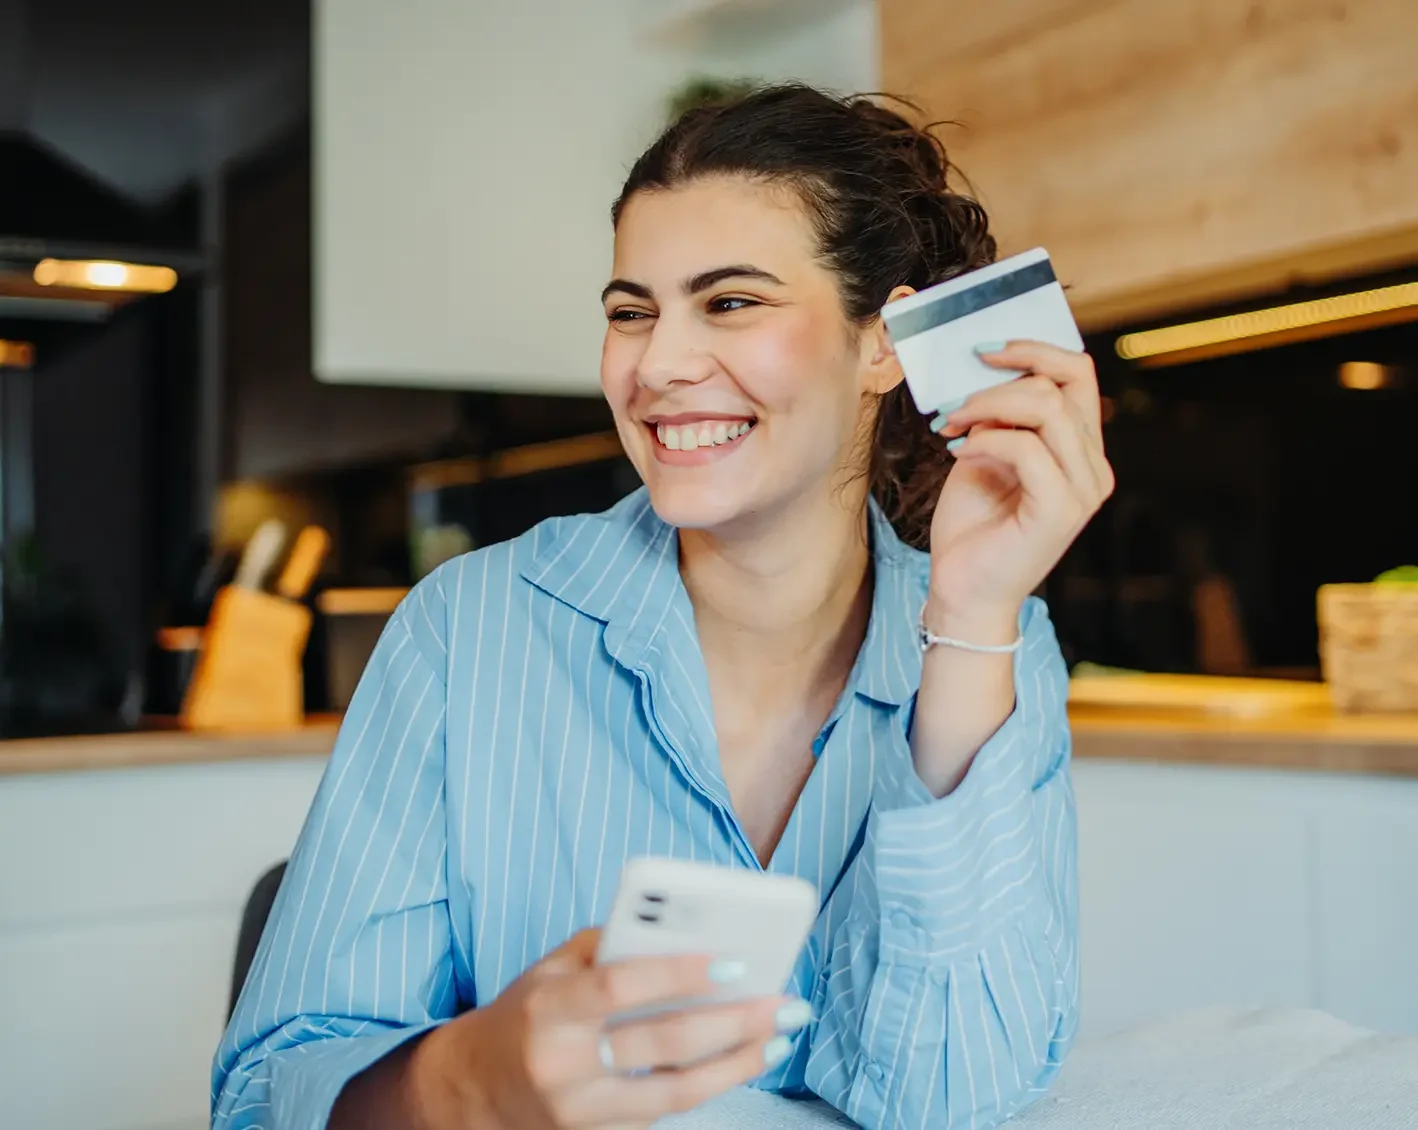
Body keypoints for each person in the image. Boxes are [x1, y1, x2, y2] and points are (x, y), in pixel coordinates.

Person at [213, 83, 1112, 1130]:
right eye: (629, 311)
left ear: (882, 343)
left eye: (728, 301)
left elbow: (953, 1098)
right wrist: (473, 1080)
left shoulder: (999, 645)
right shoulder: (466, 631)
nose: (656, 365)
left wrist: (968, 611)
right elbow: (260, 1099)